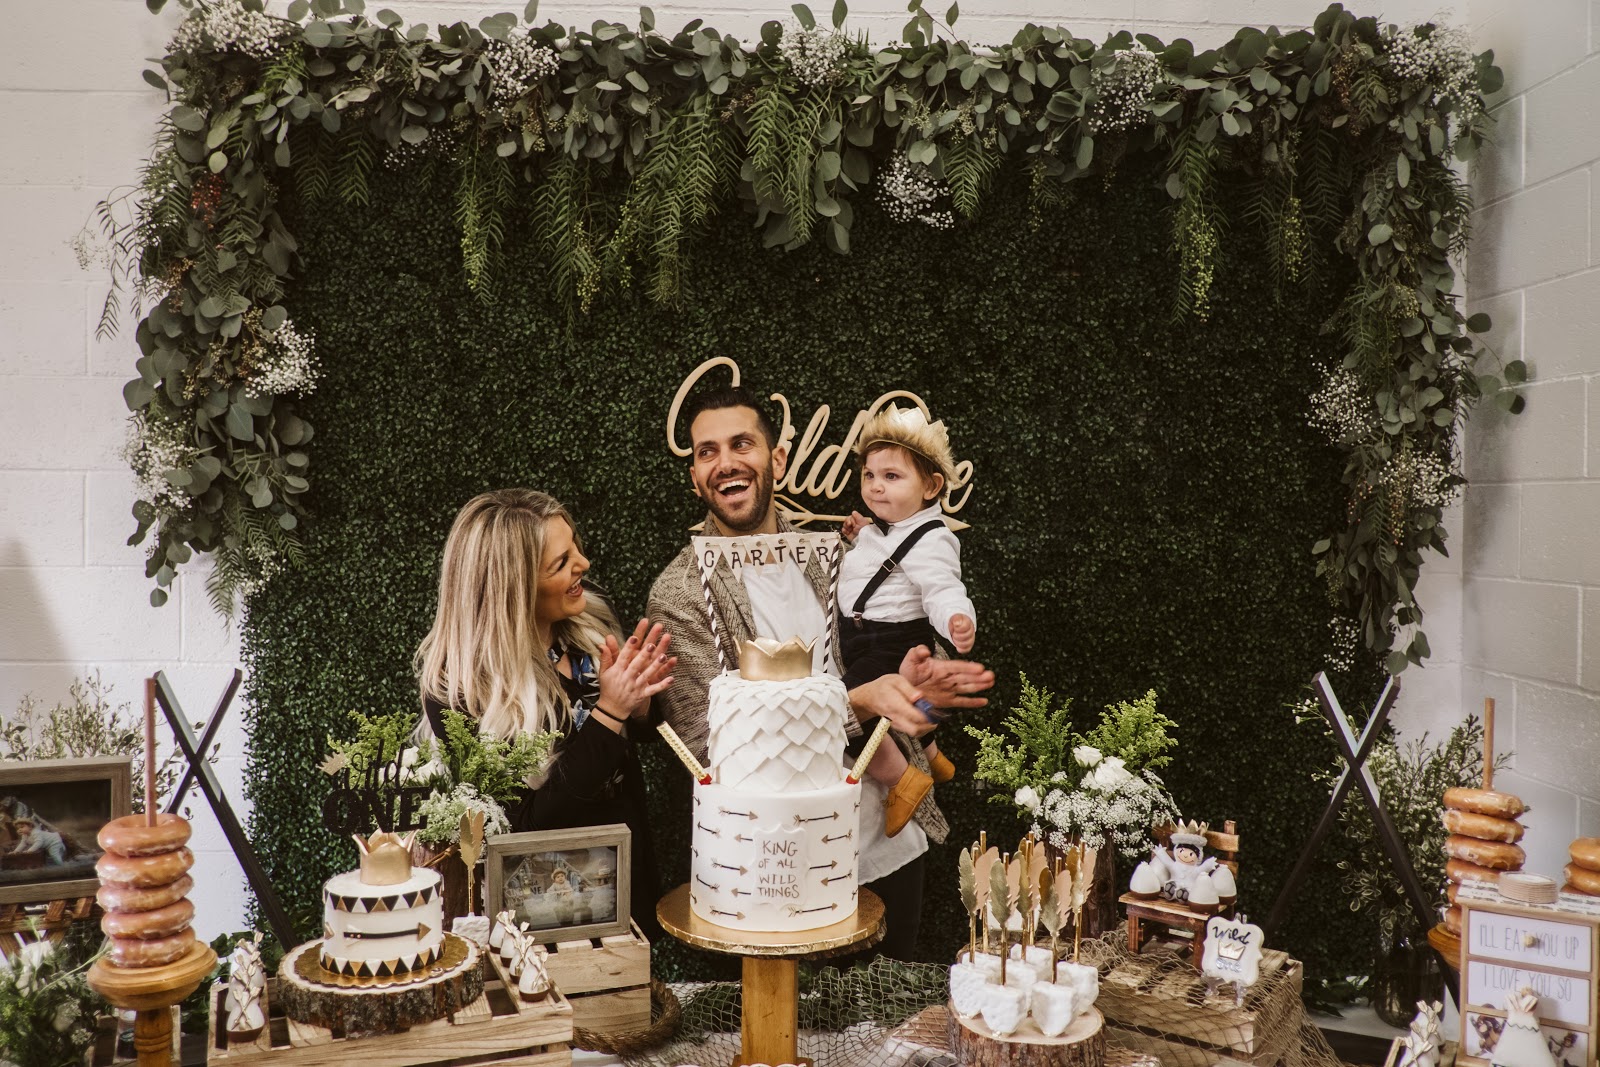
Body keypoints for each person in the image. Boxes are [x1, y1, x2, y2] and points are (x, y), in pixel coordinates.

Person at [648, 386, 994, 959]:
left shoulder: (834, 552)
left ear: (778, 459)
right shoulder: (682, 593)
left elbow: (897, 648)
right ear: (695, 476)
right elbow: (709, 743)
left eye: (742, 444)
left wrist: (923, 689)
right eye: (707, 452)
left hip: (889, 844)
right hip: (777, 873)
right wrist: (860, 701)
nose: (726, 462)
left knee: (890, 1008)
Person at [416, 488, 674, 937]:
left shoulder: (587, 625)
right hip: (548, 910)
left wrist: (639, 706)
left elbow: (633, 736)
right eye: (561, 563)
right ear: (513, 590)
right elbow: (523, 825)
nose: (584, 564)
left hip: (627, 870)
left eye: (575, 547)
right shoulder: (458, 692)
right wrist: (610, 711)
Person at [835, 404, 975, 839]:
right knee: (898, 705)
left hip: (889, 641)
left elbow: (942, 587)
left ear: (931, 486)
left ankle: (903, 779)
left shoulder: (932, 540)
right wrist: (861, 535)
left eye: (892, 476)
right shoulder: (889, 527)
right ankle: (932, 756)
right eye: (869, 475)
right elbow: (881, 559)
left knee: (842, 714)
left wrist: (956, 618)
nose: (876, 486)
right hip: (866, 637)